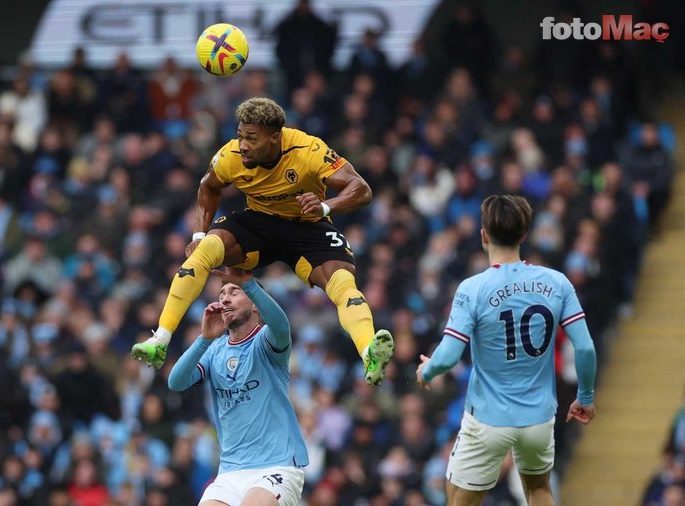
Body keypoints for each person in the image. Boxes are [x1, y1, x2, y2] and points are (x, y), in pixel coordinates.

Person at [132, 97, 393, 385]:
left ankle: (369, 351)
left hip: (308, 225)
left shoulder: (308, 150)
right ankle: (160, 339)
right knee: (205, 250)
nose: (242, 144)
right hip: (260, 223)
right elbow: (208, 187)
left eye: (251, 138)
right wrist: (198, 234)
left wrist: (326, 206)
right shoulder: (230, 156)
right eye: (240, 135)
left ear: (275, 138)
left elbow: (362, 189)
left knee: (342, 282)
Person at [415, 195, 597, 506]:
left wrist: (427, 370)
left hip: (488, 419)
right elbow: (585, 347)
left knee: (458, 499)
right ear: (525, 235)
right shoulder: (557, 283)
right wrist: (586, 397)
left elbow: (447, 357)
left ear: (483, 235)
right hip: (539, 417)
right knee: (538, 490)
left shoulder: (472, 289)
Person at [167, 266, 307, 505]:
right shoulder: (214, 350)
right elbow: (176, 382)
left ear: (254, 304)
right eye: (222, 294)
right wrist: (204, 339)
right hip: (231, 472)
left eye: (234, 291)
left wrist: (249, 284)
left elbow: (282, 327)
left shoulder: (265, 341)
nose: (225, 298)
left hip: (277, 466)